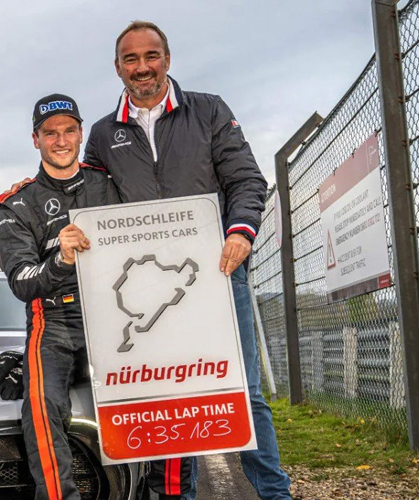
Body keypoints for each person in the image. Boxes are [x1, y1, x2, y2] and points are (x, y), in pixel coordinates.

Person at [82, 20, 292, 500]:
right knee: (164, 394)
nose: (142, 67)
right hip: (146, 286)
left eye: (150, 56)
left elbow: (246, 180)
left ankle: (273, 493)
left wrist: (240, 231)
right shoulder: (101, 134)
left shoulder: (209, 110)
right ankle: (179, 494)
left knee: (243, 392)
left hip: (218, 274)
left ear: (168, 59)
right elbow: (90, 203)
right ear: (118, 68)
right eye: (131, 59)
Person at [0, 94, 189, 500]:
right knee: (41, 405)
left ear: (81, 134)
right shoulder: (16, 203)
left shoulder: (110, 183)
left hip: (120, 312)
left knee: (167, 390)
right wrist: (60, 259)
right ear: (35, 140)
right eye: (50, 133)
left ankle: (166, 494)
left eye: (69, 130)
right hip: (54, 320)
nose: (61, 141)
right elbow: (22, 283)